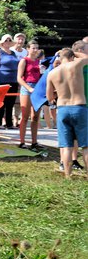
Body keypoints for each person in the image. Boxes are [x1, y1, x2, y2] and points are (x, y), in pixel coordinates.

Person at [46, 47, 87, 178]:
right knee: (86, 146)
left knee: (67, 146)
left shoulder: (52, 73)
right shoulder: (76, 64)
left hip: (62, 109)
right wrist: (74, 52)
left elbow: (49, 97)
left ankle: (68, 176)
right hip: (79, 106)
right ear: (71, 57)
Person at [17, 41, 43, 151]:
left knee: (35, 117)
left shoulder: (39, 61)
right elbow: (19, 78)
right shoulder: (24, 60)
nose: (35, 50)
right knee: (25, 116)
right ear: (28, 49)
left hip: (37, 88)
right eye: (33, 48)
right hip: (27, 87)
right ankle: (22, 142)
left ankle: (34, 142)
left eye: (37, 48)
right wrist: (29, 88)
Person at [0, 34, 20, 129]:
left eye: (9, 40)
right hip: (1, 81)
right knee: (1, 103)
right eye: (6, 40)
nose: (7, 41)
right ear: (2, 42)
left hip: (13, 81)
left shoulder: (13, 53)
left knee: (10, 103)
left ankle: (9, 123)